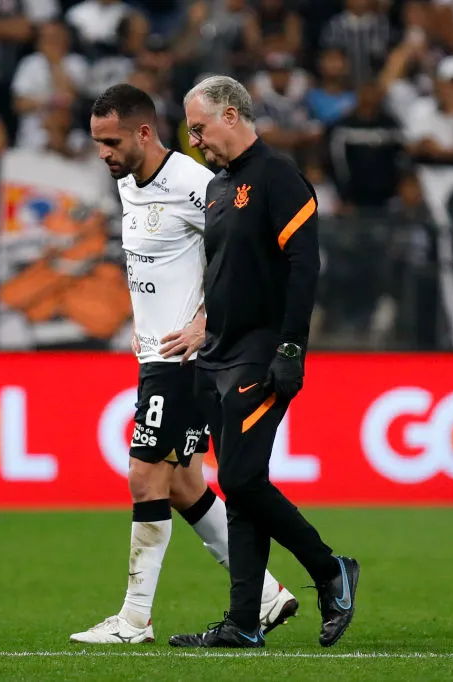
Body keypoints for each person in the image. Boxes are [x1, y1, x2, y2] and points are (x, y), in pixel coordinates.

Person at [69, 83, 298, 645]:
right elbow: (157, 261)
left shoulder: (198, 184)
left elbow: (245, 255)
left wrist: (205, 322)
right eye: (98, 142)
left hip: (185, 360)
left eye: (111, 141)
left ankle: (134, 619)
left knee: (145, 474)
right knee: (184, 483)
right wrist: (139, 326)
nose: (104, 153)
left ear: (144, 132)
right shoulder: (128, 184)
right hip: (154, 351)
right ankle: (268, 595)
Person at [169, 75, 359, 649]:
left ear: (231, 114)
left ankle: (330, 571)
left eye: (199, 128)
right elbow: (222, 272)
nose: (196, 140)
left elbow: (305, 267)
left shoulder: (278, 176)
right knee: (242, 488)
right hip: (218, 354)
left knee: (243, 480)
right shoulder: (220, 187)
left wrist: (291, 347)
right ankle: (244, 622)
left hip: (261, 352)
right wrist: (203, 328)